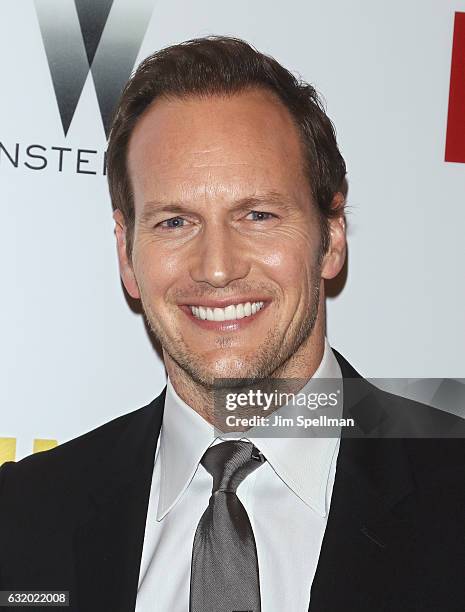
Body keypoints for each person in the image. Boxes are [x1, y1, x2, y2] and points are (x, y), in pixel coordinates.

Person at [0, 36, 464, 612]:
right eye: (175, 222)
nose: (216, 268)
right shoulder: (20, 521)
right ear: (127, 253)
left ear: (332, 238)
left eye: (259, 215)